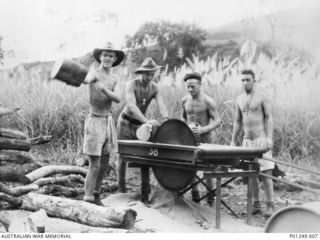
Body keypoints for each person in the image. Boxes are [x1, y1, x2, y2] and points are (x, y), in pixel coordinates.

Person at [117, 57, 169, 201]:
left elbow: (162, 105)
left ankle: (145, 190)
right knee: (123, 156)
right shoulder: (131, 85)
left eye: (152, 74)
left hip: (141, 124)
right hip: (126, 122)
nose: (149, 77)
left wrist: (167, 120)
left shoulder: (155, 87)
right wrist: (147, 122)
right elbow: (132, 106)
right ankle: (121, 189)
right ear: (140, 73)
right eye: (146, 74)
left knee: (145, 155)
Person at [82, 42, 124, 205]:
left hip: (108, 121)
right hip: (94, 120)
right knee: (95, 164)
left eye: (111, 56)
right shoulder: (94, 73)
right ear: (100, 57)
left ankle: (96, 194)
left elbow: (118, 98)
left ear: (115, 59)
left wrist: (104, 89)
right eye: (105, 55)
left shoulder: (115, 78)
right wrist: (91, 79)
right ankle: (87, 199)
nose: (107, 58)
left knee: (105, 164)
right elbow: (84, 79)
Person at [230, 69, 275, 217]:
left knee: (266, 174)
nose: (244, 83)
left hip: (261, 138)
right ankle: (256, 205)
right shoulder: (239, 99)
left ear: (253, 81)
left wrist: (269, 138)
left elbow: (269, 117)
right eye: (242, 80)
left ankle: (270, 206)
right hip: (247, 141)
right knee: (251, 174)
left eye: (247, 80)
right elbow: (237, 121)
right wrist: (233, 141)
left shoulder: (262, 97)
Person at [181, 72, 221, 206]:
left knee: (209, 169)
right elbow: (183, 118)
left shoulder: (208, 101)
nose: (190, 89)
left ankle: (210, 198)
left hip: (206, 138)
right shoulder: (184, 100)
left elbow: (217, 120)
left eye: (193, 86)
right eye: (188, 87)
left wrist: (203, 129)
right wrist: (184, 127)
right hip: (190, 138)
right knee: (190, 166)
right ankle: (195, 196)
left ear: (200, 85)